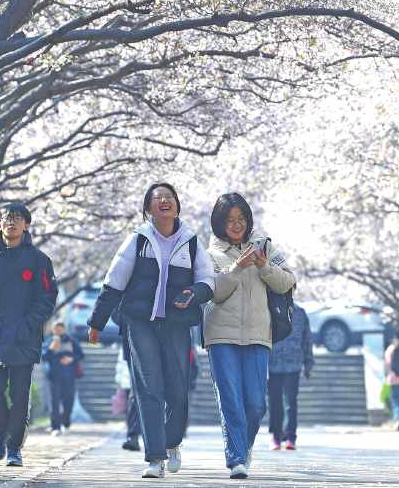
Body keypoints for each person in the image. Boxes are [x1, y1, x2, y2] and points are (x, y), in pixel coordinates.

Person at [87, 182, 214, 479]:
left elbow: (208, 281)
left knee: (178, 390)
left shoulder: (191, 241)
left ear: (178, 206)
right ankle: (155, 458)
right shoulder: (138, 240)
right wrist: (96, 322)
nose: (164, 201)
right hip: (139, 321)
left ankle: (172, 442)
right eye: (158, 198)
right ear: (148, 208)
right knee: (148, 388)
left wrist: (193, 293)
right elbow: (114, 280)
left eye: (169, 197)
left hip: (176, 325)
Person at [203, 192, 296, 479]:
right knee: (230, 398)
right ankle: (235, 459)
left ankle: (244, 447)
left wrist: (262, 266)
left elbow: (288, 282)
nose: (236, 224)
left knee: (256, 402)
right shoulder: (207, 254)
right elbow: (213, 292)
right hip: (221, 336)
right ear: (219, 222)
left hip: (258, 335)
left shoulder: (265, 248)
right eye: (230, 219)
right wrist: (237, 267)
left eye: (241, 219)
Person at [0, 202, 57, 466]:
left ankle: (13, 447)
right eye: (6, 218)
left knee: (19, 396)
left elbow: (47, 296)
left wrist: (30, 323)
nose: (11, 223)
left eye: (17, 219)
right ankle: (0, 432)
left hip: (24, 336)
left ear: (26, 224)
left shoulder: (39, 260)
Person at [267, 301, 314, 451]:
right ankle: (276, 435)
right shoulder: (269, 308)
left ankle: (291, 436)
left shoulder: (300, 312)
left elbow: (306, 338)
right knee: (274, 402)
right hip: (272, 362)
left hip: (293, 363)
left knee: (290, 402)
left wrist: (308, 363)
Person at [42, 320, 84, 436]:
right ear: (53, 329)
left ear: (64, 328)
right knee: (54, 402)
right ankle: (55, 426)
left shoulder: (72, 341)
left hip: (69, 376)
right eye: (56, 327)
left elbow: (81, 354)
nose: (58, 330)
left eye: (61, 327)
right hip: (53, 377)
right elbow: (44, 357)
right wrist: (51, 349)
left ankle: (65, 421)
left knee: (68, 400)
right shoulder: (49, 341)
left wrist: (72, 359)